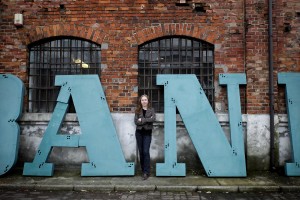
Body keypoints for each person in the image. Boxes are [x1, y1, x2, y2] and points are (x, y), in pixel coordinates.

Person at [134, 94, 156, 180]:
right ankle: (143, 171)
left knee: (146, 151)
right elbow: (136, 122)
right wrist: (147, 120)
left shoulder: (151, 110)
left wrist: (142, 120)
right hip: (139, 133)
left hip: (147, 133)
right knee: (141, 152)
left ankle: (147, 172)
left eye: (145, 100)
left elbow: (153, 119)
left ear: (148, 101)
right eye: (142, 100)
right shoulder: (137, 110)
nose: (144, 101)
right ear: (140, 101)